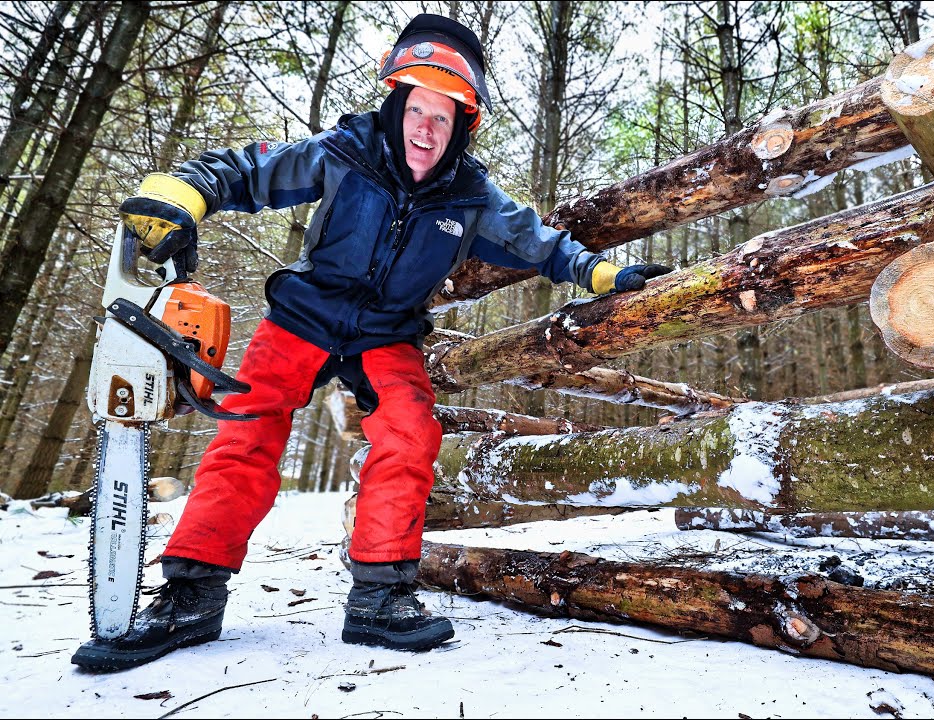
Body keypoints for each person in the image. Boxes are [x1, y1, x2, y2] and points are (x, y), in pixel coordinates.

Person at [72, 14, 670, 672]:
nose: (425, 128)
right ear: (396, 106)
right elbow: (248, 170)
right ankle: (191, 594)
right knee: (246, 428)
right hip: (306, 311)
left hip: (388, 330)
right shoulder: (344, 150)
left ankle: (380, 599)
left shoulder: (472, 195)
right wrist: (183, 191)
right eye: (417, 109)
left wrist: (607, 274)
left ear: (461, 128)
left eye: (443, 119)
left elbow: (541, 243)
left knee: (411, 434)